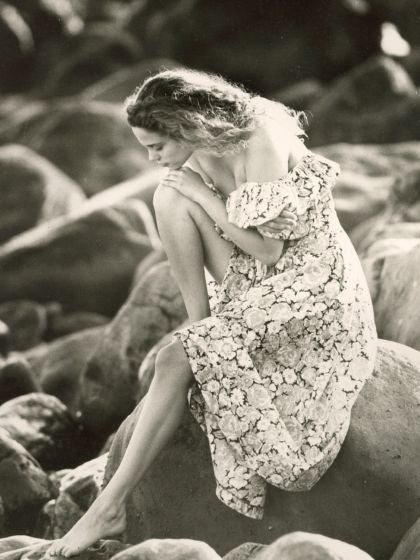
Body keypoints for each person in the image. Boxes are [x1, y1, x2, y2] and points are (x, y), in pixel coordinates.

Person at [48, 68, 377, 557]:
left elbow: (269, 251)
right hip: (265, 276)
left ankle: (108, 507)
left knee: (173, 359)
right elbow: (246, 249)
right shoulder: (201, 141)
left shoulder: (259, 137)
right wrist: (194, 193)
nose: (150, 156)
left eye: (155, 145)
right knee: (166, 194)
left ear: (182, 125)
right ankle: (205, 328)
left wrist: (203, 194)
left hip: (314, 284)